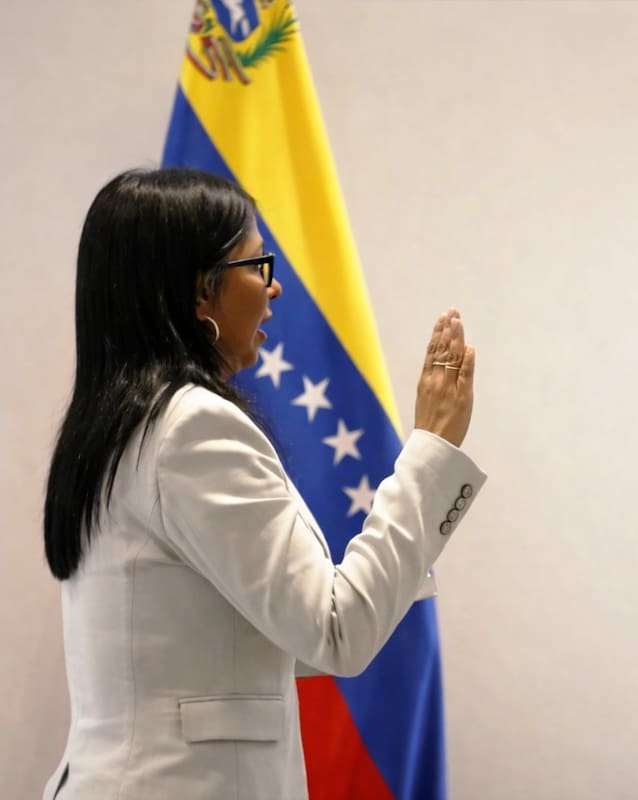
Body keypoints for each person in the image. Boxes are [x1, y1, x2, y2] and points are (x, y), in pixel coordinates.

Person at [41, 167, 484, 799]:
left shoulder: (122, 423)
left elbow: (242, 636)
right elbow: (335, 632)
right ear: (202, 292)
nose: (275, 287)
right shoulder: (191, 427)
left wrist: (381, 591)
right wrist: (431, 452)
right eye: (257, 265)